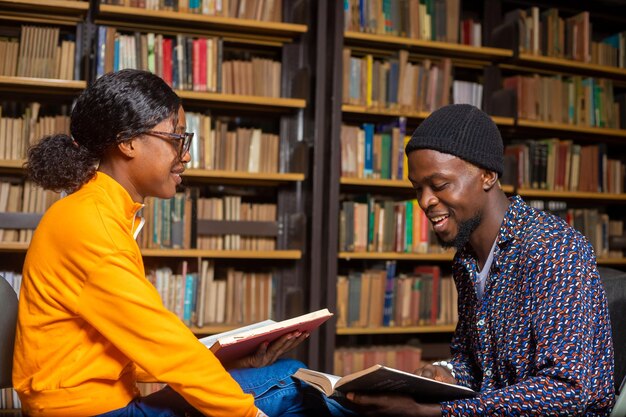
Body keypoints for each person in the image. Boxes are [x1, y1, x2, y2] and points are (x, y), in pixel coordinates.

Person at [12, 69, 341, 417]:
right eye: (176, 138)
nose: (185, 156)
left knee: (286, 376)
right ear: (128, 142)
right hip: (91, 412)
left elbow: (129, 346)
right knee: (293, 385)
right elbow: (160, 344)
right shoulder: (91, 224)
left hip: (99, 403)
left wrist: (223, 359)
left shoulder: (96, 211)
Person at [345, 104, 616, 416]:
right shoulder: (466, 261)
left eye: (439, 185)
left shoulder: (553, 247)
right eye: (417, 188)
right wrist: (444, 372)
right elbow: (478, 367)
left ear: (488, 175)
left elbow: (568, 390)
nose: (425, 201)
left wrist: (438, 413)